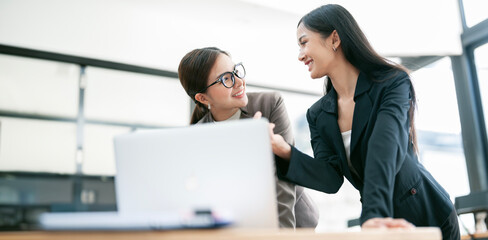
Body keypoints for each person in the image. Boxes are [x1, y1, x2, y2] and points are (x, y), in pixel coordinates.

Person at [265, 4, 460, 240]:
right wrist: (284, 150)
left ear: (334, 39)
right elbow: (330, 178)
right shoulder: (318, 115)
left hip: (427, 214)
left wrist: (373, 215)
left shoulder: (391, 83)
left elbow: (384, 147)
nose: (300, 55)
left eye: (304, 42)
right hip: (377, 221)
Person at [177, 47, 319, 228]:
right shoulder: (196, 136)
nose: (239, 82)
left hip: (292, 223)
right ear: (203, 98)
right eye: (225, 79)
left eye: (235, 71)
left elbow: (283, 177)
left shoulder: (269, 104)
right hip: (237, 226)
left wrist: (283, 235)